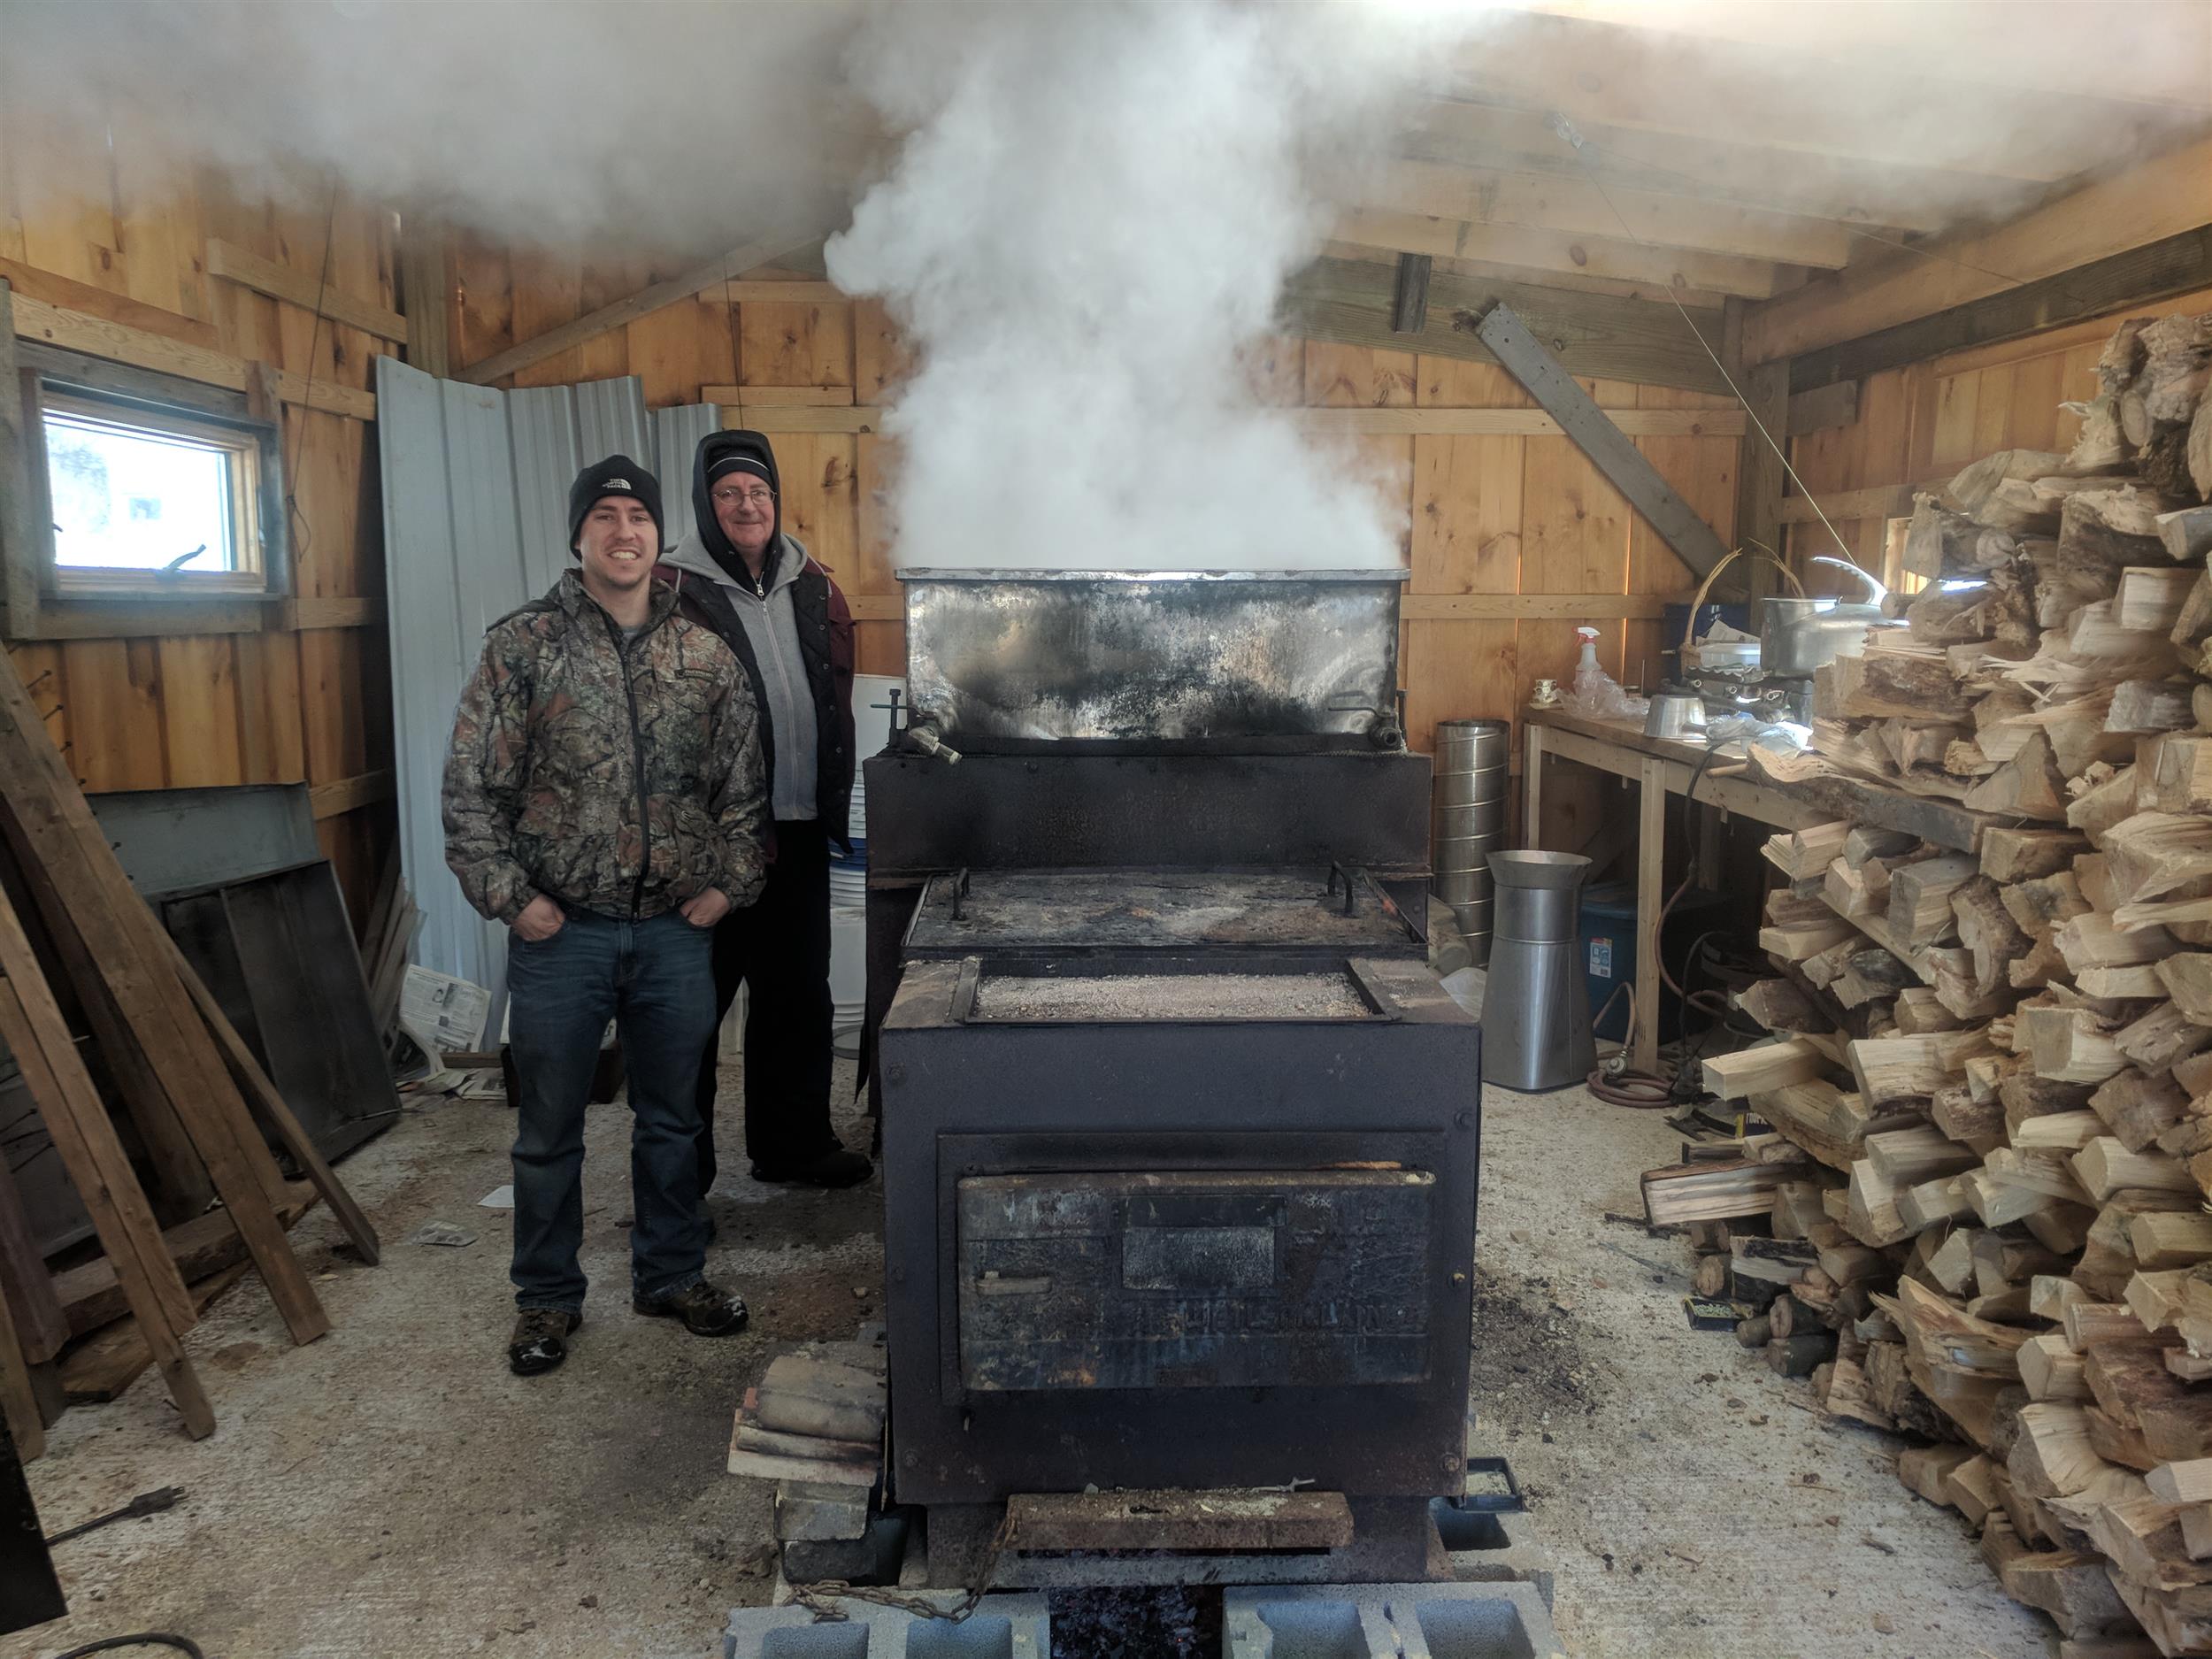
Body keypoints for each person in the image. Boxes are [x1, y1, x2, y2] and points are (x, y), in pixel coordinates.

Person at [443, 455, 768, 1377]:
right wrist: (516, 902)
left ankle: (670, 1275)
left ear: (659, 537)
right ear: (578, 534)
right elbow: (471, 791)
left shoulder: (701, 654)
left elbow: (744, 786)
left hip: (672, 933)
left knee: (673, 1121)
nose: (624, 531)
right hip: (564, 936)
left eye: (638, 516)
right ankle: (545, 1299)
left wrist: (727, 884)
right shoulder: (524, 647)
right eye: (606, 516)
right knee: (548, 1131)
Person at [657, 429, 872, 1192]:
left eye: (759, 492)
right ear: (705, 505)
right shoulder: (670, 590)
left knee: (796, 996)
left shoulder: (814, 582)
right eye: (729, 493)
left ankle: (792, 1146)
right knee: (691, 1014)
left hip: (802, 829)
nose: (747, 505)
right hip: (708, 845)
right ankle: (680, 1184)